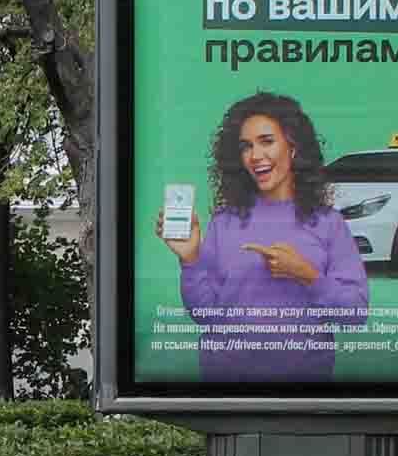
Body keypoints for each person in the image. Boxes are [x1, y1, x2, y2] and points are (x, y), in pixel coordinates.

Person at [157, 91, 370, 384]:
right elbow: (205, 314)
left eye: (266, 141)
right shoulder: (224, 222)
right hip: (226, 390)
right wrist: (190, 259)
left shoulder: (328, 223)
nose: (255, 156)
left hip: (304, 390)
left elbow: (356, 312)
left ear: (293, 147)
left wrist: (306, 275)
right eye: (246, 147)